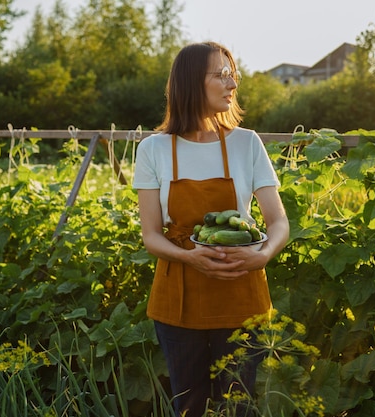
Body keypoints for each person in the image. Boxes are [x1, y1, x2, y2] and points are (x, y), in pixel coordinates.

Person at [132, 41, 290, 417]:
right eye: (220, 74)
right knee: (188, 405)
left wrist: (262, 256)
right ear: (190, 82)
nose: (232, 83)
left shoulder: (247, 143)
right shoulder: (153, 149)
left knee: (239, 405)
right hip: (178, 295)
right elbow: (151, 234)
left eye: (232, 73)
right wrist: (191, 256)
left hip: (240, 289)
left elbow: (278, 222)